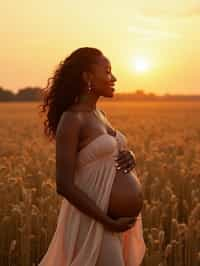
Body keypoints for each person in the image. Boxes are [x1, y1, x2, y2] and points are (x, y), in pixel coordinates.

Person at [38, 47, 146, 266]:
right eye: (107, 72)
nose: (113, 77)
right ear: (87, 77)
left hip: (115, 223)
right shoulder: (72, 119)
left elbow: (108, 153)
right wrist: (107, 221)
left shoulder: (100, 115)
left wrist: (130, 155)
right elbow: (64, 185)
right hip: (94, 222)